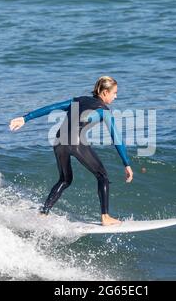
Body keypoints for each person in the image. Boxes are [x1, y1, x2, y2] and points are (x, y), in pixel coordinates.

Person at [9, 76, 133, 226]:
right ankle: (105, 217)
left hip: (59, 140)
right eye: (114, 93)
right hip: (75, 141)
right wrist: (126, 164)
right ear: (105, 92)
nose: (116, 96)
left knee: (65, 179)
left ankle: (44, 212)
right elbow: (117, 138)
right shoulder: (104, 111)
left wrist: (25, 118)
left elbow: (52, 107)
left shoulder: (78, 100)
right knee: (102, 176)